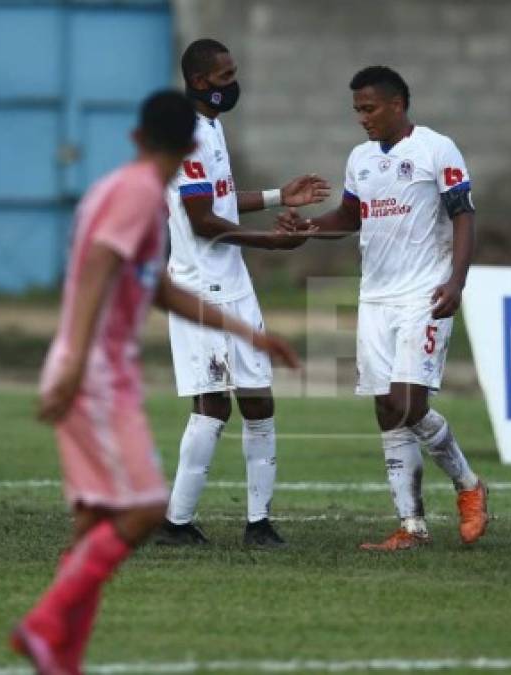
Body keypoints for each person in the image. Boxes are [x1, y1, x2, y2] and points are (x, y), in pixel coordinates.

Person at [11, 90, 299, 674]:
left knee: (93, 524)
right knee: (143, 511)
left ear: (136, 138)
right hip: (94, 374)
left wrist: (247, 333)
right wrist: (72, 366)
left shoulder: (117, 189)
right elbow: (96, 274)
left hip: (86, 366)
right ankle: (45, 622)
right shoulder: (139, 193)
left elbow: (159, 290)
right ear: (191, 145)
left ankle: (60, 653)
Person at [276, 66, 488, 551]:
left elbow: (463, 215)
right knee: (388, 410)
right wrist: (310, 228)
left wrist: (456, 279)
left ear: (397, 105)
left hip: (424, 294)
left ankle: (469, 485)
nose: (362, 119)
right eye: (356, 110)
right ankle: (411, 527)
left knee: (409, 403)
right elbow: (350, 217)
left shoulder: (437, 149)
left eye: (368, 109)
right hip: (375, 297)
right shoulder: (361, 159)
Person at [156, 39, 330, 548]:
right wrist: (273, 243)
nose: (233, 83)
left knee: (258, 400)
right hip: (200, 288)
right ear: (199, 80)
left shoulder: (211, 125)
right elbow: (204, 222)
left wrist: (279, 196)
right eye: (225, 75)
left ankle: (259, 524)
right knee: (214, 405)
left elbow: (222, 201)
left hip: (234, 283)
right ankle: (177, 524)